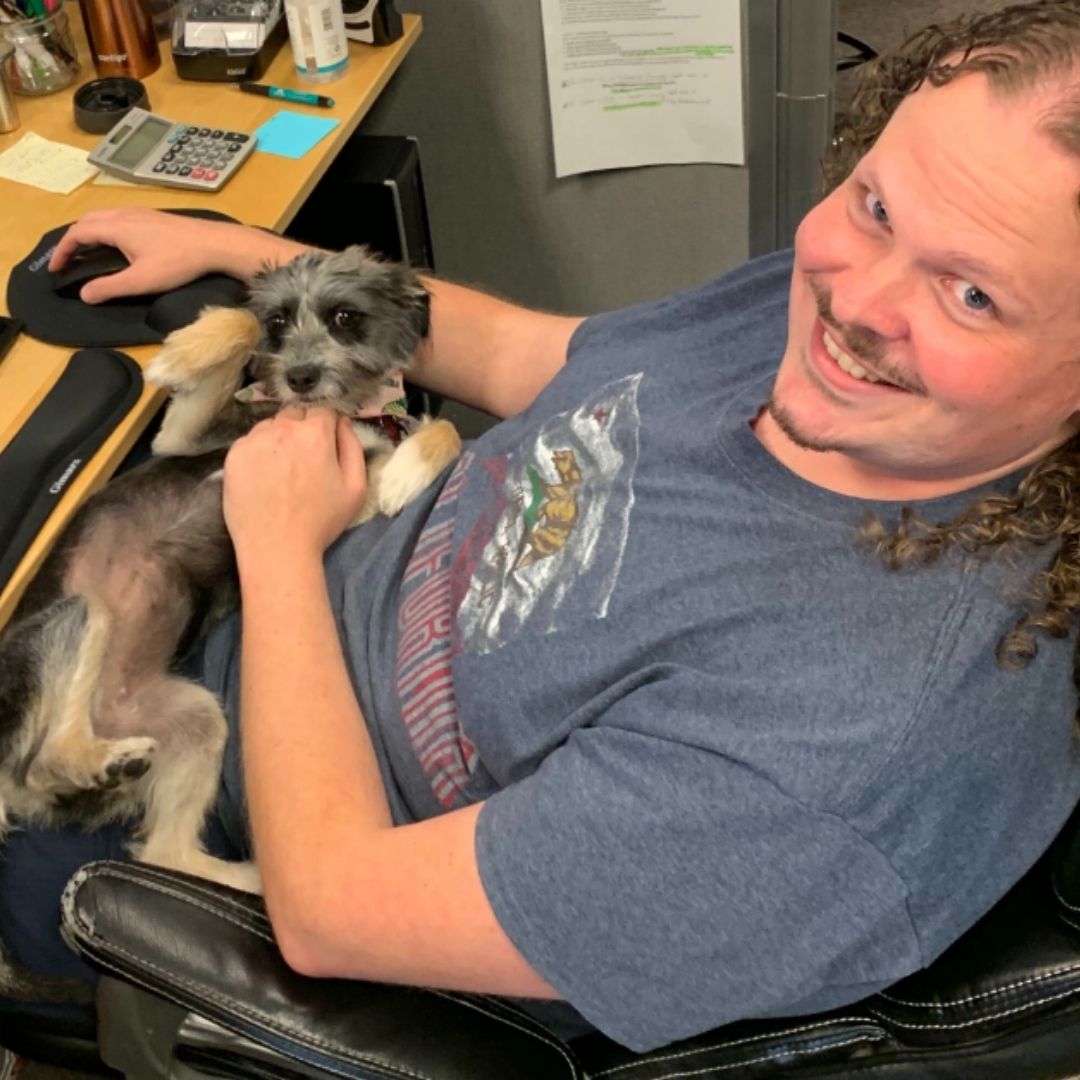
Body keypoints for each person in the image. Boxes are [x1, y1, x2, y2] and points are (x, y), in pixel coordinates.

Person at [4, 0, 1080, 1053]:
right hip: (248, 554)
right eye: (877, 205)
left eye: (972, 296)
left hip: (191, 810)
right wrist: (237, 252)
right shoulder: (829, 320)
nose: (857, 303)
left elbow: (329, 908)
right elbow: (539, 358)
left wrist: (279, 543)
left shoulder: (844, 756)